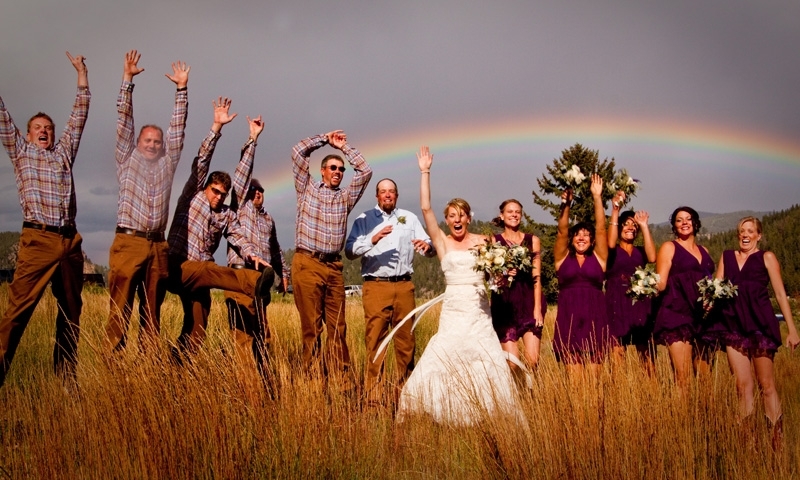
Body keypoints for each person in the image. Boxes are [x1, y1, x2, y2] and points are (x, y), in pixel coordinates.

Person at [397, 146, 521, 425]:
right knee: (446, 353)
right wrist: (425, 171)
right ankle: (442, 410)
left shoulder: (484, 242)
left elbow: (494, 276)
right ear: (447, 220)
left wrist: (504, 274)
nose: (456, 220)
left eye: (460, 215)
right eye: (451, 216)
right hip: (454, 310)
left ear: (468, 217)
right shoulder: (442, 243)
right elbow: (425, 208)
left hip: (478, 310)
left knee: (484, 358)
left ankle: (487, 413)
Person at [0, 52, 90, 387]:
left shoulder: (63, 153)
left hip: (69, 241)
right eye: (38, 127)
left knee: (71, 312)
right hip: (38, 240)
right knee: (17, 313)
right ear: (27, 133)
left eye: (49, 128)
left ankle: (66, 382)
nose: (45, 131)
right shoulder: (21, 152)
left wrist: (82, 73)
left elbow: (79, 114)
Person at [167, 98, 273, 357]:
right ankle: (253, 283)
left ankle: (176, 363)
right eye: (215, 192)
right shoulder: (192, 197)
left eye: (222, 194)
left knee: (197, 329)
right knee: (208, 268)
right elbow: (202, 161)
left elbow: (238, 236)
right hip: (178, 266)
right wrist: (216, 127)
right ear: (206, 188)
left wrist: (252, 255)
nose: (218, 197)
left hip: (201, 278)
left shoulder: (225, 213)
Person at [105, 50, 190, 353]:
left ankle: (147, 373)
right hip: (129, 243)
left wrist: (182, 90)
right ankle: (112, 372)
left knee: (152, 314)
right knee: (119, 311)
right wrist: (127, 80)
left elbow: (178, 132)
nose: (153, 144)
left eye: (157, 141)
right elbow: (124, 123)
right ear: (138, 144)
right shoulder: (126, 159)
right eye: (147, 141)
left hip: (158, 246)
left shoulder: (167, 165)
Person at [345, 178, 434, 407]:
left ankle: (405, 395)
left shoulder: (408, 217)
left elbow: (428, 244)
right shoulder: (365, 219)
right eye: (383, 192)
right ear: (377, 196)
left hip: (404, 286)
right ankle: (374, 397)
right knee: (376, 339)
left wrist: (428, 247)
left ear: (396, 195)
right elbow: (350, 250)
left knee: (406, 341)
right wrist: (372, 239)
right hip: (376, 286)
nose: (387, 195)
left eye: (391, 192)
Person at [291, 130, 372, 381]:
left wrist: (345, 148)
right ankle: (314, 383)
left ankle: (342, 385)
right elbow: (297, 152)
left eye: (341, 169)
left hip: (334, 268)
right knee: (312, 328)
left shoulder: (345, 197)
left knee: (338, 328)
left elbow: (366, 171)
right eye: (333, 168)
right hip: (308, 263)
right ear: (323, 171)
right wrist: (324, 139)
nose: (338, 172)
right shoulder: (307, 188)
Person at [714, 216, 799, 449]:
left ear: (758, 235)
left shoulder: (767, 257)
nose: (745, 234)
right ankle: (747, 443)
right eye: (742, 230)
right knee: (742, 386)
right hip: (733, 326)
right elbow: (715, 288)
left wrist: (792, 329)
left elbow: (780, 295)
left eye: (750, 231)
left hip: (761, 325)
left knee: (766, 384)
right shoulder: (727, 257)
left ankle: (776, 441)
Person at [225, 177, 289, 373]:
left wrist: (284, 273)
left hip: (261, 283)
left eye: (260, 189)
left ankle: (264, 380)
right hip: (240, 276)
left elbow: (275, 249)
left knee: (262, 334)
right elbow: (241, 181)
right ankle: (249, 391)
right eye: (252, 189)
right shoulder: (240, 211)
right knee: (244, 337)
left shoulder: (269, 219)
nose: (257, 192)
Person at [552, 174, 609, 372]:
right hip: (569, 321)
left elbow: (601, 229)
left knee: (593, 385)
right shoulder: (562, 258)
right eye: (578, 234)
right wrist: (566, 205)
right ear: (572, 239)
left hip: (596, 320)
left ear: (593, 241)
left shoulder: (600, 258)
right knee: (575, 385)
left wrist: (597, 197)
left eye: (586, 235)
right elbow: (562, 231)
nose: (582, 238)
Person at [654, 206, 715, 388]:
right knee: (683, 376)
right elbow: (661, 281)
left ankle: (706, 415)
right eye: (679, 220)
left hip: (703, 317)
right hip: (677, 313)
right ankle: (683, 416)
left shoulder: (704, 250)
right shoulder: (669, 247)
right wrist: (645, 287)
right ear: (674, 225)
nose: (684, 223)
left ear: (695, 223)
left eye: (688, 219)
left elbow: (710, 283)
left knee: (706, 377)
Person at [489, 199, 546, 371]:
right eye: (510, 211)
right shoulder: (494, 240)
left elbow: (537, 276)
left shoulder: (532, 240)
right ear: (502, 215)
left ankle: (531, 396)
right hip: (504, 304)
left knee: (532, 361)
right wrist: (504, 273)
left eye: (517, 212)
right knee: (513, 364)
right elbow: (490, 276)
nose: (514, 215)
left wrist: (537, 309)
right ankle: (515, 395)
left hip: (528, 300)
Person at [605, 194, 657, 365]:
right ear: (619, 227)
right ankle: (619, 389)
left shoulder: (640, 251)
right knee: (617, 349)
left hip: (639, 303)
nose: (630, 228)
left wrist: (643, 225)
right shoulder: (612, 250)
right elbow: (610, 242)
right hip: (616, 302)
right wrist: (615, 210)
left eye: (633, 225)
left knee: (646, 351)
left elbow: (652, 257)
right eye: (626, 224)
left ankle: (650, 388)